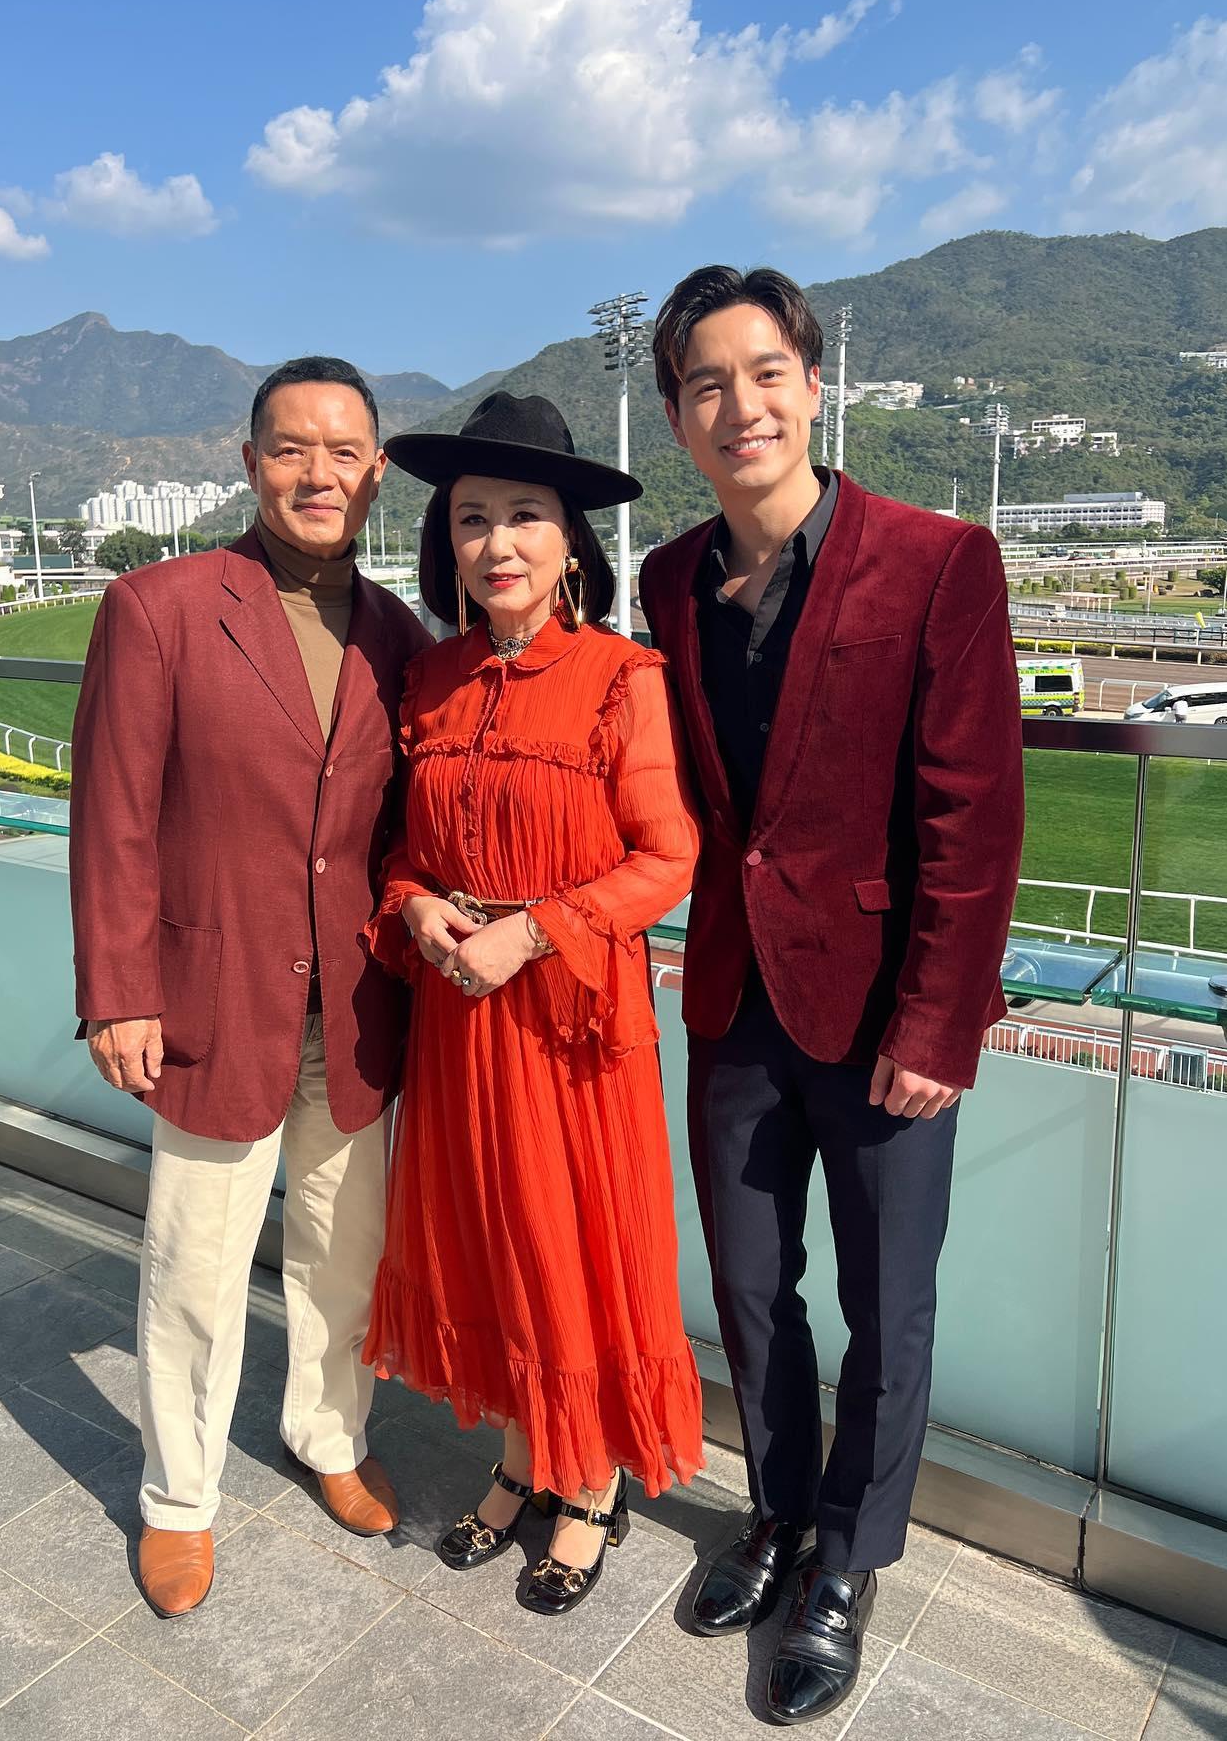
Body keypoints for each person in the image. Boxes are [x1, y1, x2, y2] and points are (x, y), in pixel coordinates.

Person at [639, 267, 1024, 1723]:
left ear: (813, 384)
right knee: (750, 1287)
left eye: (764, 374)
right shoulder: (671, 578)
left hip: (883, 1018)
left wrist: (939, 1027)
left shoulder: (937, 561)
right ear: (677, 414)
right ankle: (780, 1513)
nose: (739, 406)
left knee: (885, 1304)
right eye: (706, 384)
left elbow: (973, 821)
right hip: (733, 997)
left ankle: (850, 1563)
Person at [70, 356, 428, 1618]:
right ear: (250, 464)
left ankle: (328, 1434)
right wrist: (118, 990)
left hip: (357, 1006)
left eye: (344, 452)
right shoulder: (159, 606)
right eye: (291, 449)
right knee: (195, 1265)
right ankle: (179, 1498)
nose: (318, 473)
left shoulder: (398, 636)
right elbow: (113, 815)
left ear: (376, 472)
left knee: (343, 1251)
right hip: (210, 998)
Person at [362, 391, 704, 1616]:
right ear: (444, 541)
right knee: (492, 1244)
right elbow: (404, 857)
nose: (497, 543)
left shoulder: (623, 678)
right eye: (472, 520)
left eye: (524, 517)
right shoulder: (430, 682)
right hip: (462, 1020)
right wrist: (416, 909)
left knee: (574, 1249)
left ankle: (591, 1480)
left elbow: (669, 857)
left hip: (573, 1027)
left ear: (570, 542)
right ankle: (520, 1457)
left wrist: (534, 931)